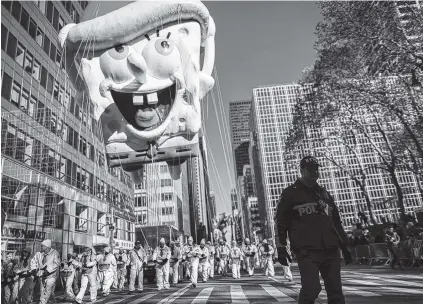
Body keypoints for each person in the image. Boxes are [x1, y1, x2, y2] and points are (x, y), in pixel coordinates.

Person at [275, 156, 352, 304]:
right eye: (311, 168)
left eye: (316, 168)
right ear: (302, 170)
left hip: (330, 248)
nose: (315, 171)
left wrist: (345, 245)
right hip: (307, 251)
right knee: (311, 289)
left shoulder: (324, 193)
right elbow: (280, 222)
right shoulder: (290, 194)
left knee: (336, 293)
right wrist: (281, 247)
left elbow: (336, 221)